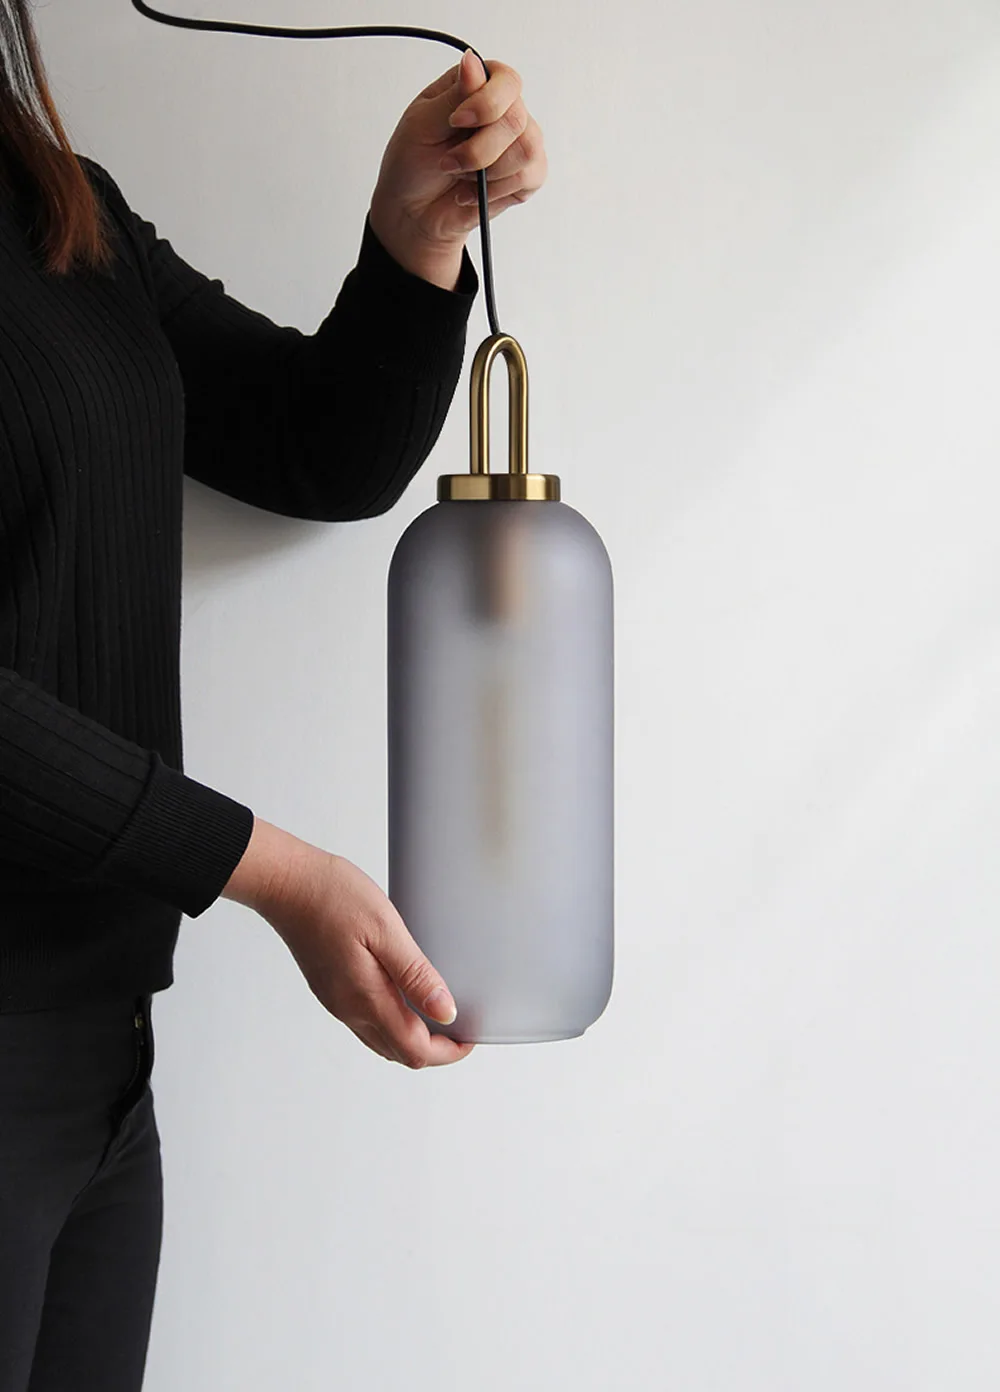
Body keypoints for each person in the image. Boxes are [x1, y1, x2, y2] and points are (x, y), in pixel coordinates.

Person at [0, 2, 548, 1386]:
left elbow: (317, 445)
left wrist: (416, 230)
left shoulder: (50, 198)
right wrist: (271, 872)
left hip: (100, 1068)